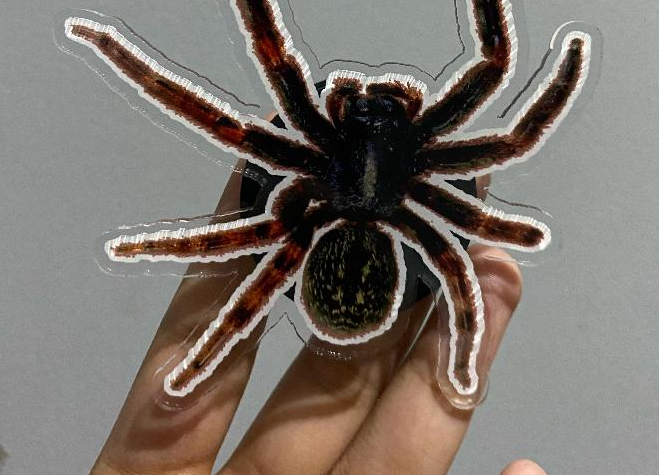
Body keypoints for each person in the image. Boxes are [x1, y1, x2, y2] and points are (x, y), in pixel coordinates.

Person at [90, 169, 548, 475]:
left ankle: (200, 361)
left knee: (261, 275)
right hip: (368, 272)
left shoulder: (302, 209)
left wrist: (149, 245)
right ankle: (200, 360)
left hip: (340, 261)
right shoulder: (426, 215)